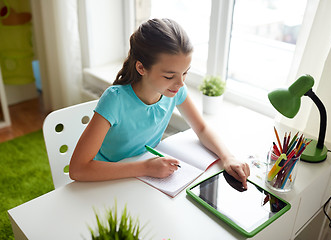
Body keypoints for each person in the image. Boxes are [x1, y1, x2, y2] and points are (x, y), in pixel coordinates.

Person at [69, 18, 250, 188]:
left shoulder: (174, 91)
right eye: (169, 76)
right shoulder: (115, 100)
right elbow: (78, 169)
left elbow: (201, 129)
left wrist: (227, 157)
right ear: (141, 68)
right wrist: (145, 168)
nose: (180, 83)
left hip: (142, 178)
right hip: (106, 179)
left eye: (185, 73)